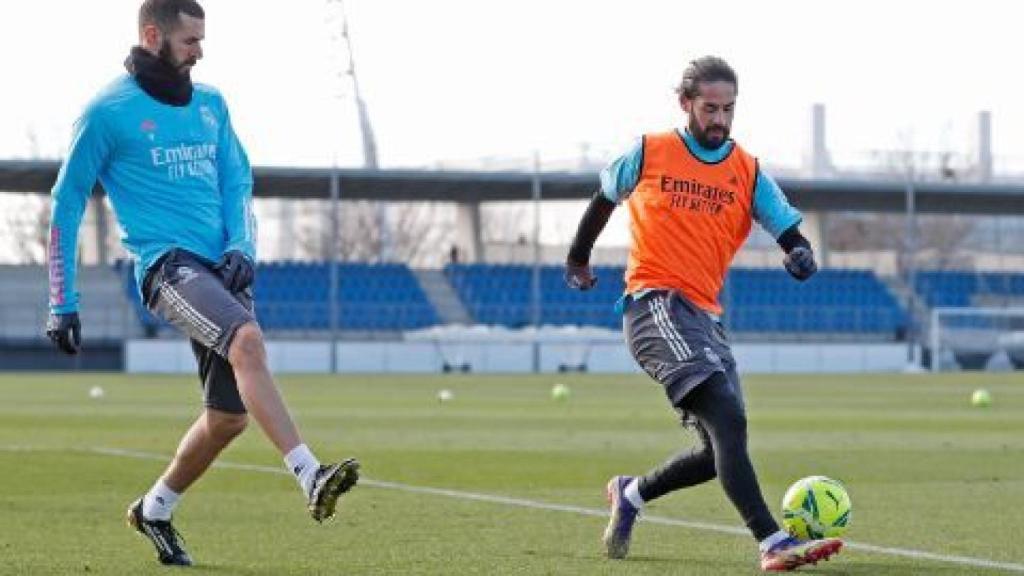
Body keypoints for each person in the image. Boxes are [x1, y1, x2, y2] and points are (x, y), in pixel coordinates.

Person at [45, 0, 359, 566]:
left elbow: (238, 181)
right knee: (248, 342)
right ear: (151, 35)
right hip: (168, 266)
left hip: (224, 266)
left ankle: (155, 508)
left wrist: (243, 245)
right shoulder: (106, 112)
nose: (200, 51)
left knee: (228, 418)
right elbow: (66, 204)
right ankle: (310, 474)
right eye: (190, 40)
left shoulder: (212, 104)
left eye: (202, 40)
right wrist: (61, 299)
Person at [564, 56, 842, 572]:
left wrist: (799, 253)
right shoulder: (651, 151)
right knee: (728, 419)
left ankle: (632, 494)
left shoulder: (748, 170)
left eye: (729, 109)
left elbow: (786, 228)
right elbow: (604, 197)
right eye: (710, 108)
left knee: (721, 447)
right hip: (655, 305)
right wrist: (578, 258)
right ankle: (772, 541)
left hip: (704, 317)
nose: (720, 119)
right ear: (685, 103)